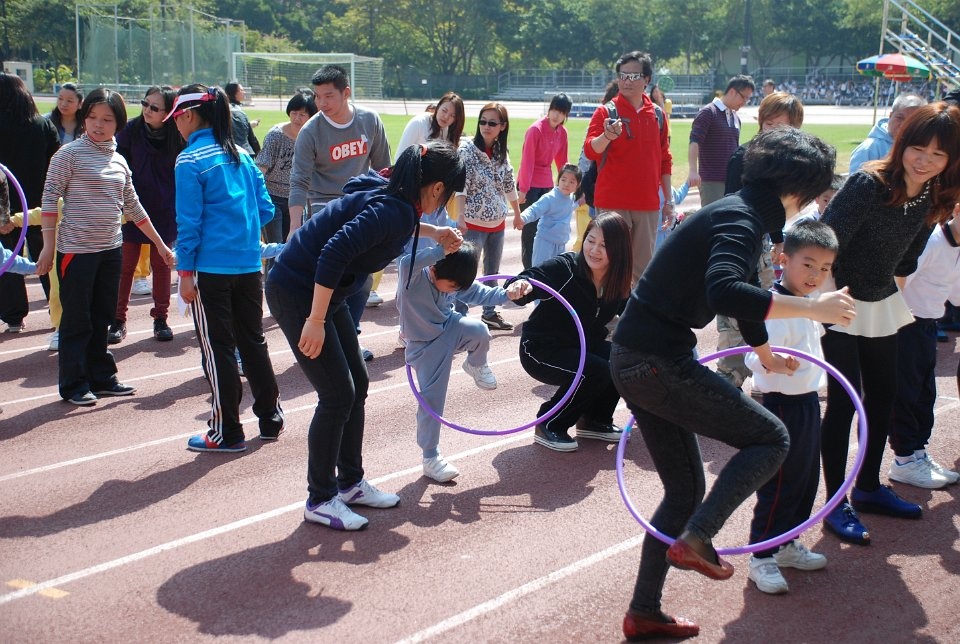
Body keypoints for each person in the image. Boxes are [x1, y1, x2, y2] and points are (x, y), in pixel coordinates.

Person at [609, 128, 851, 640]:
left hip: (636, 358)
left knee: (684, 491)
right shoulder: (741, 219)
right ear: (798, 190)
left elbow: (743, 294)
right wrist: (814, 308)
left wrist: (763, 352)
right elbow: (725, 290)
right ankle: (698, 538)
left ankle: (643, 611)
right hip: (656, 361)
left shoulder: (738, 212)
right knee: (772, 438)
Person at [265, 140, 465, 531]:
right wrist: (315, 320)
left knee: (357, 383)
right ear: (438, 188)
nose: (447, 202)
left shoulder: (395, 193)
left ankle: (350, 483)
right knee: (337, 394)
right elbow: (333, 253)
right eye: (449, 195)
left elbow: (389, 224)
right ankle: (320, 498)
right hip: (299, 291)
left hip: (325, 291)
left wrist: (435, 231)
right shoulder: (394, 209)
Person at [819, 102, 960, 545]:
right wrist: (826, 307)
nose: (925, 160)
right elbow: (824, 243)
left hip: (881, 302)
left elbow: (907, 259)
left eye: (938, 154)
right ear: (902, 143)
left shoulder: (931, 195)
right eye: (918, 148)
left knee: (882, 397)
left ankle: (867, 487)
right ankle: (834, 503)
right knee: (843, 404)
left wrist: (893, 302)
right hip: (838, 300)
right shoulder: (869, 183)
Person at [35, 88, 174, 406]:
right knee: (77, 319)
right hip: (76, 252)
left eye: (107, 119)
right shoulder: (68, 155)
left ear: (119, 123)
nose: (98, 125)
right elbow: (49, 199)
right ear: (84, 119)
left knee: (102, 317)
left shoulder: (119, 160)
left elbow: (134, 207)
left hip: (111, 250)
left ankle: (102, 378)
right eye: (92, 117)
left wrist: (160, 245)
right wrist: (47, 247)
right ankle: (73, 384)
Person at [168, 84, 284, 451]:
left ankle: (227, 431)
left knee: (218, 348)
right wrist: (240, 231)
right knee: (253, 341)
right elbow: (266, 210)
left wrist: (185, 274)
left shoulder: (189, 160)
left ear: (188, 115)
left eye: (176, 118)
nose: (175, 125)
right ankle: (270, 417)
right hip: (248, 265)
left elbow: (189, 224)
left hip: (210, 269)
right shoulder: (243, 157)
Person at [742, 220, 839, 595]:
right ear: (783, 260)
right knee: (780, 482)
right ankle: (762, 555)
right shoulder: (773, 307)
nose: (816, 275)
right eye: (808, 265)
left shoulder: (811, 305)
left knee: (805, 479)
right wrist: (774, 361)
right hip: (780, 406)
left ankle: (786, 544)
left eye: (825, 268)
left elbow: (814, 346)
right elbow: (752, 356)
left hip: (808, 403)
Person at [398, 242, 531, 482]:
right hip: (424, 346)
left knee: (479, 330)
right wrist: (441, 250)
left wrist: (509, 293)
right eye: (452, 287)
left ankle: (476, 364)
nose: (455, 291)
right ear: (434, 270)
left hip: (449, 327)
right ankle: (430, 457)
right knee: (432, 399)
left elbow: (482, 293)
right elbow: (407, 262)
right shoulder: (413, 277)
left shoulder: (453, 280)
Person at [287, 64, 391, 360]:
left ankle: (350, 336)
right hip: (325, 206)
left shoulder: (369, 120)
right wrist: (294, 226)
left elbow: (384, 168)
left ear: (346, 93)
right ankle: (327, 335)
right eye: (317, 96)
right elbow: (299, 180)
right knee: (334, 274)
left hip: (362, 202)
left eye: (328, 96)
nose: (321, 103)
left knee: (363, 277)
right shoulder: (311, 131)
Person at [507, 213, 633, 452]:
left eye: (604, 245)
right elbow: (530, 279)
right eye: (591, 240)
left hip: (580, 345)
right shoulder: (565, 267)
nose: (594, 250)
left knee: (622, 359)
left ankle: (595, 420)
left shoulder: (618, 281)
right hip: (541, 349)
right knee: (594, 370)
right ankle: (550, 423)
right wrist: (521, 286)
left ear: (619, 250)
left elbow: (637, 314)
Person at [719, 91, 805, 389]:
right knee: (735, 313)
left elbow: (778, 207)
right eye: (770, 124)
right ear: (760, 123)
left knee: (762, 310)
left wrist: (779, 240)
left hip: (765, 244)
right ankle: (728, 378)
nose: (775, 132)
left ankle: (760, 372)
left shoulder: (788, 161)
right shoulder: (743, 157)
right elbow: (729, 206)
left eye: (784, 127)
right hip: (739, 244)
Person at [584, 51, 673, 286]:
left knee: (641, 270)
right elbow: (590, 151)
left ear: (647, 79)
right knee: (606, 265)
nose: (626, 81)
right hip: (612, 202)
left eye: (633, 76)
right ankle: (603, 308)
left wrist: (669, 201)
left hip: (647, 204)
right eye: (622, 75)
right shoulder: (606, 112)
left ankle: (632, 310)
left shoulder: (657, 115)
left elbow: (665, 159)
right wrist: (606, 136)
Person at [887, 210, 960, 489]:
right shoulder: (930, 241)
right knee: (905, 393)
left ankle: (918, 453)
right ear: (956, 210)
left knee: (924, 393)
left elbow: (956, 295)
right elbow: (897, 283)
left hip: (927, 326)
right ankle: (904, 460)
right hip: (905, 325)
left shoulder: (956, 248)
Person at [109, 86, 183, 344]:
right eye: (145, 103)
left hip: (164, 209)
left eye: (154, 107)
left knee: (162, 265)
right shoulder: (130, 130)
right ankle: (118, 320)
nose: (147, 110)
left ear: (168, 112)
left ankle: (161, 318)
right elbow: (117, 164)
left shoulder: (177, 135)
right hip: (133, 207)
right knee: (125, 266)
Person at [377, 92, 466, 308]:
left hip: (436, 200)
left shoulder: (448, 134)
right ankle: (405, 298)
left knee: (432, 248)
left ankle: (426, 297)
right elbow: (402, 159)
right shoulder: (419, 123)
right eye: (444, 110)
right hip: (415, 196)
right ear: (438, 106)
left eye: (452, 116)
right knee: (411, 249)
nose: (446, 117)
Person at [0, 72, 59, 336]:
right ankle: (58, 310)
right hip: (41, 205)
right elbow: (56, 164)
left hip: (5, 205)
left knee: (8, 260)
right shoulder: (43, 125)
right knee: (47, 258)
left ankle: (14, 316)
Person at [456, 103, 521, 331]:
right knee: (466, 271)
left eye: (492, 123)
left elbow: (508, 183)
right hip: (472, 223)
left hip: (497, 223)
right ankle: (459, 315)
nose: (486, 126)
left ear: (502, 126)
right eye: (482, 121)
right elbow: (461, 185)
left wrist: (517, 214)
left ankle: (490, 313)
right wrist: (460, 215)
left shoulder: (502, 153)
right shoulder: (467, 151)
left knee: (492, 271)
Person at [256, 89, 318, 270]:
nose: (297, 118)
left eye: (303, 114)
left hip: (296, 199)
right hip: (272, 198)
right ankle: (272, 284)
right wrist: (255, 196)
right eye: (294, 113)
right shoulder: (276, 135)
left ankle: (287, 283)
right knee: (274, 249)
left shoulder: (312, 137)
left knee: (292, 246)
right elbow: (261, 167)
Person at [518, 93, 571, 269]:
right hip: (530, 184)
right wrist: (523, 190)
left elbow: (562, 162)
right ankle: (529, 270)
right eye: (554, 110)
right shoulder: (535, 130)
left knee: (546, 227)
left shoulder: (562, 133)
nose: (556, 115)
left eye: (561, 112)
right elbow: (527, 161)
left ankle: (545, 268)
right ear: (549, 109)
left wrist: (567, 186)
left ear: (566, 115)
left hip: (547, 184)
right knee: (530, 229)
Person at [688, 74, 756, 207]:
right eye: (743, 97)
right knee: (714, 217)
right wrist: (693, 171)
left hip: (732, 180)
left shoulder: (736, 118)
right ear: (732, 91)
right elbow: (694, 141)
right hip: (712, 181)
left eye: (748, 99)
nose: (745, 102)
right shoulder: (708, 112)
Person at [514, 163, 581, 267]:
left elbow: (573, 205)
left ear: (578, 185)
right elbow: (534, 209)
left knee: (556, 272)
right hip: (545, 242)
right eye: (563, 180)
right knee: (540, 271)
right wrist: (522, 218)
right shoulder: (550, 198)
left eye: (571, 182)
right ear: (558, 180)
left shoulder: (571, 198)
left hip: (561, 243)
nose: (566, 184)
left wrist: (582, 200)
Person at [849, 93, 926, 172]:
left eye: (912, 121)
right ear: (890, 116)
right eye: (900, 118)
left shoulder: (925, 148)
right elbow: (856, 178)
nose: (904, 124)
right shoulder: (869, 149)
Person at [224, 81, 260, 155]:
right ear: (234, 93)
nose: (244, 92)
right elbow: (251, 138)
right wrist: (258, 152)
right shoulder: (238, 111)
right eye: (241, 90)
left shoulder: (225, 109)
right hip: (243, 152)